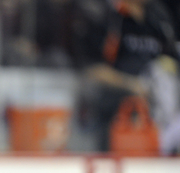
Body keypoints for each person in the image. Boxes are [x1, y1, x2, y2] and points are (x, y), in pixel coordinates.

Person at [72, 0, 179, 152]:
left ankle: (165, 143)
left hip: (157, 90)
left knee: (165, 80)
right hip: (118, 90)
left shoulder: (158, 19)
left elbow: (171, 58)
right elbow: (93, 69)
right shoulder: (109, 18)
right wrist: (132, 85)